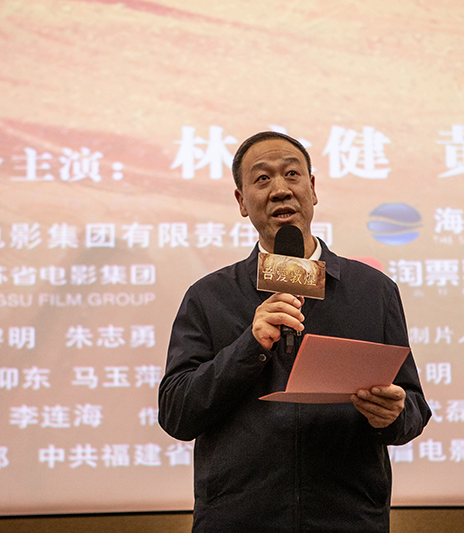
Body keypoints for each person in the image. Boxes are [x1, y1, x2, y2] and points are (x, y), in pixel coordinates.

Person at [158, 131, 431, 532]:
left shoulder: (373, 291)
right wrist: (249, 345)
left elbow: (413, 409)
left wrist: (394, 414)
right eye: (262, 178)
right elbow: (176, 414)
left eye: (292, 174)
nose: (281, 189)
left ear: (312, 189)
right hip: (239, 521)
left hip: (348, 519)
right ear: (241, 201)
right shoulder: (208, 296)